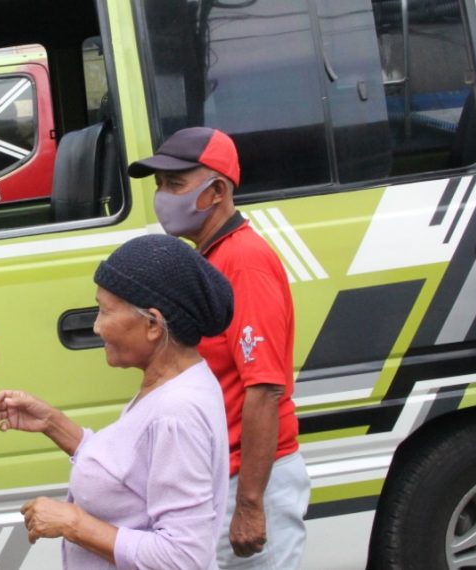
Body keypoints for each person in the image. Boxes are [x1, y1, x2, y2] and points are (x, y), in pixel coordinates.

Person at [0, 233, 233, 569]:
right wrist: (52, 424)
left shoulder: (176, 412)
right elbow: (129, 473)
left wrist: (73, 524)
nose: (96, 327)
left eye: (105, 312)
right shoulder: (170, 384)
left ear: (152, 323)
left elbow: (182, 558)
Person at [127, 127, 310, 568]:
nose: (162, 196)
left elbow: (265, 388)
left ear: (217, 191)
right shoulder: (209, 258)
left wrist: (249, 504)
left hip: (245, 482)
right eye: (159, 185)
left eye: (175, 184)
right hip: (217, 476)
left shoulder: (244, 261)